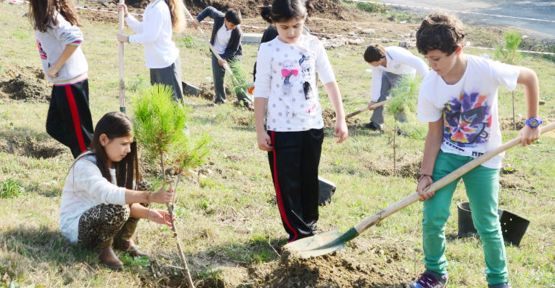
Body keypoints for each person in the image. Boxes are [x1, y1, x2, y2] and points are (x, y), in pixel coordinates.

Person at [411, 13, 541, 288]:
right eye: (427, 58)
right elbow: (434, 134)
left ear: (457, 50)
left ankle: (498, 281)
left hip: (486, 159)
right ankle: (434, 273)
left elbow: (530, 77)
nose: (431, 65)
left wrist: (532, 123)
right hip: (448, 155)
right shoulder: (430, 86)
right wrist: (425, 175)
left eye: (436, 58)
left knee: (486, 223)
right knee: (433, 218)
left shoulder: (485, 70)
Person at [254, 0, 348, 242]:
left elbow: (329, 81)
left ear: (305, 19)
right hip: (281, 129)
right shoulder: (268, 50)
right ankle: (297, 234)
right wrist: (259, 129)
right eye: (284, 27)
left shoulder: (314, 45)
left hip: (312, 125)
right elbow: (261, 91)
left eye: (297, 25)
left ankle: (309, 226)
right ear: (274, 23)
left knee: (309, 179)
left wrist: (341, 117)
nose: (292, 32)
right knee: (287, 183)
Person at [59, 112, 175, 270]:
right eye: (123, 144)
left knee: (141, 187)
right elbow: (109, 195)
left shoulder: (116, 164)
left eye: (130, 144)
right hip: (78, 228)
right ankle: (103, 248)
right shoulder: (85, 166)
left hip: (105, 214)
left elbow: (128, 205)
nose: (128, 150)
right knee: (119, 204)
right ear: (104, 140)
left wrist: (150, 214)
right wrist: (151, 197)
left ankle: (123, 240)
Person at [29, 0, 94, 159]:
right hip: (62, 83)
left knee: (81, 138)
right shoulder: (46, 14)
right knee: (54, 126)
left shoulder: (52, 17)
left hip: (70, 83)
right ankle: (92, 152)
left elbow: (75, 39)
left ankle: (91, 161)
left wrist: (56, 67)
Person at [117, 0, 185, 102]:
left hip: (166, 63)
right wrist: (127, 16)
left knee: (173, 104)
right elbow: (144, 29)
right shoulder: (152, 6)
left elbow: (150, 36)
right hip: (156, 63)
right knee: (159, 104)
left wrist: (128, 39)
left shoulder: (159, 8)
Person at [363, 44, 429, 131]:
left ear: (381, 58)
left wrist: (427, 81)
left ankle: (401, 128)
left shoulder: (396, 54)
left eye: (372, 63)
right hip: (387, 73)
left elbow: (419, 63)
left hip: (404, 75)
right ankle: (376, 123)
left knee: (399, 102)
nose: (372, 65)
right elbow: (376, 80)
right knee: (380, 96)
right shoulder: (376, 63)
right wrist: (373, 100)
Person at [194, 6, 242, 104]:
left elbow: (233, 49)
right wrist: (198, 19)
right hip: (216, 51)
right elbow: (209, 9)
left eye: (235, 25)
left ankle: (244, 99)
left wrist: (224, 57)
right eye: (232, 25)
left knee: (236, 76)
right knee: (218, 77)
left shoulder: (237, 32)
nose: (234, 27)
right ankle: (220, 99)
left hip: (232, 53)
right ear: (225, 20)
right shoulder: (219, 17)